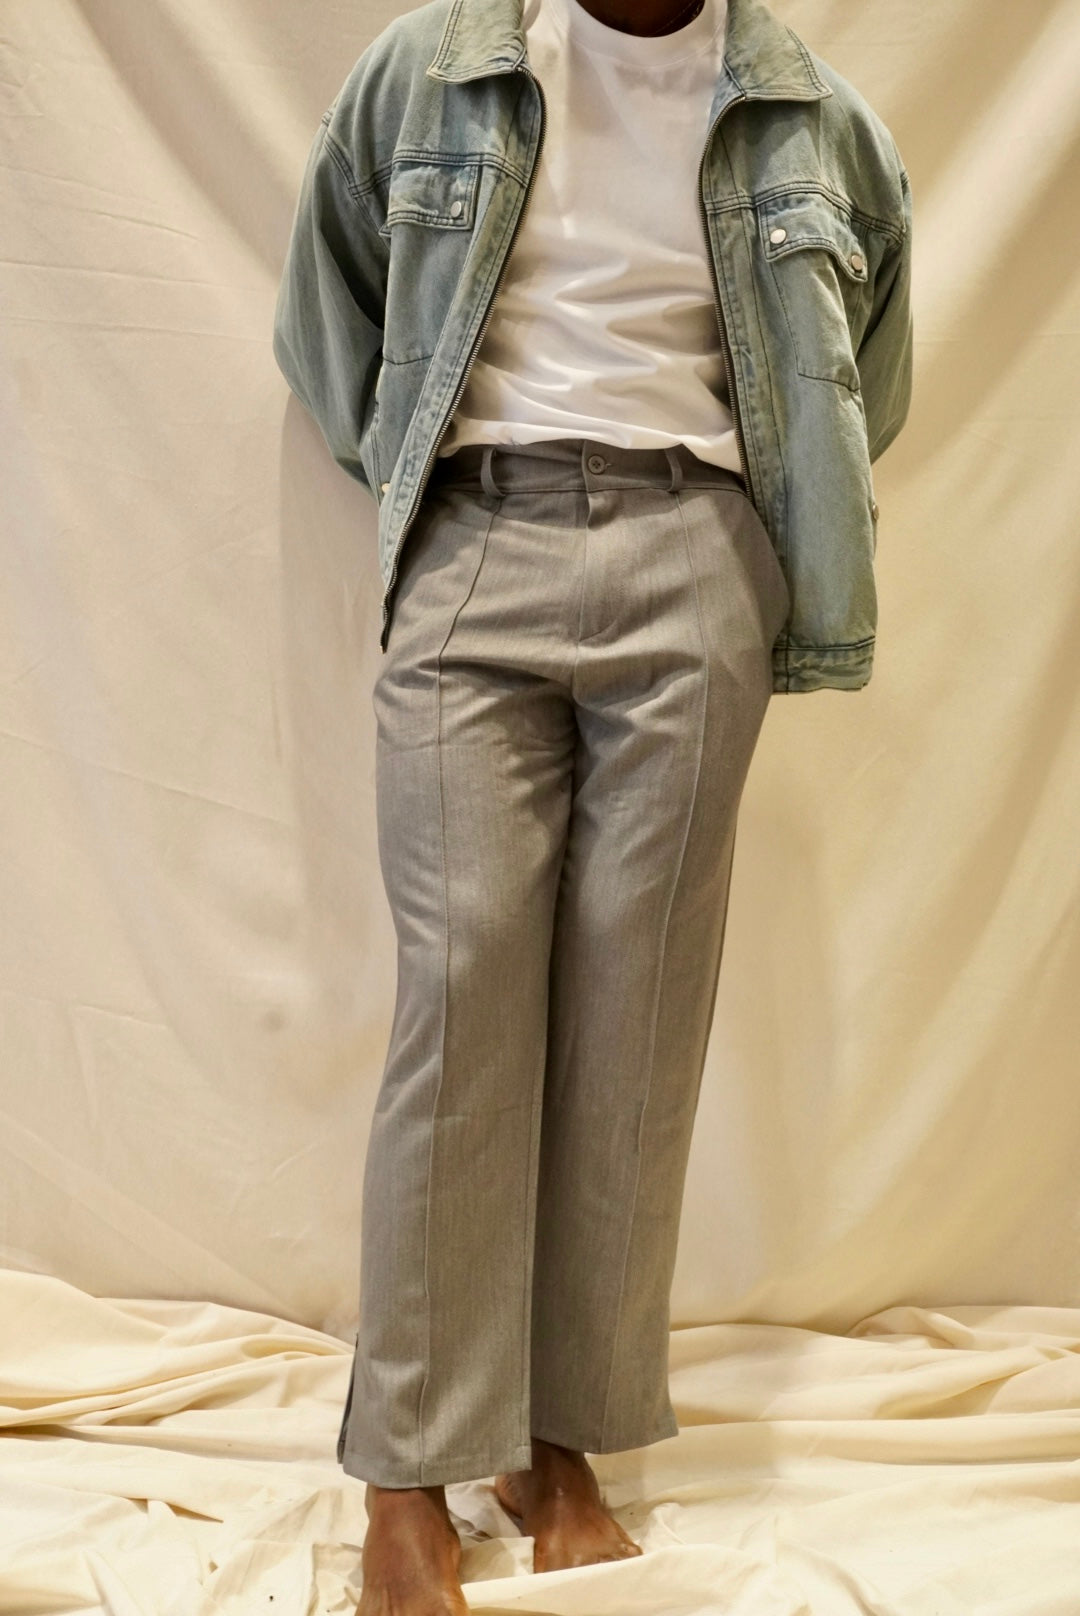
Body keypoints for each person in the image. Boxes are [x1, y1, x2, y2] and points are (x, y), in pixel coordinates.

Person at [272, 0, 913, 1606]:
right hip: (474, 542)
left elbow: (865, 374)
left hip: (697, 552)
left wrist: (754, 525)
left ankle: (558, 1445)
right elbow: (327, 305)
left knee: (638, 1025)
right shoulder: (429, 72)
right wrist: (422, 466)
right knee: (460, 997)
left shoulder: (814, 122)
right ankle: (407, 1471)